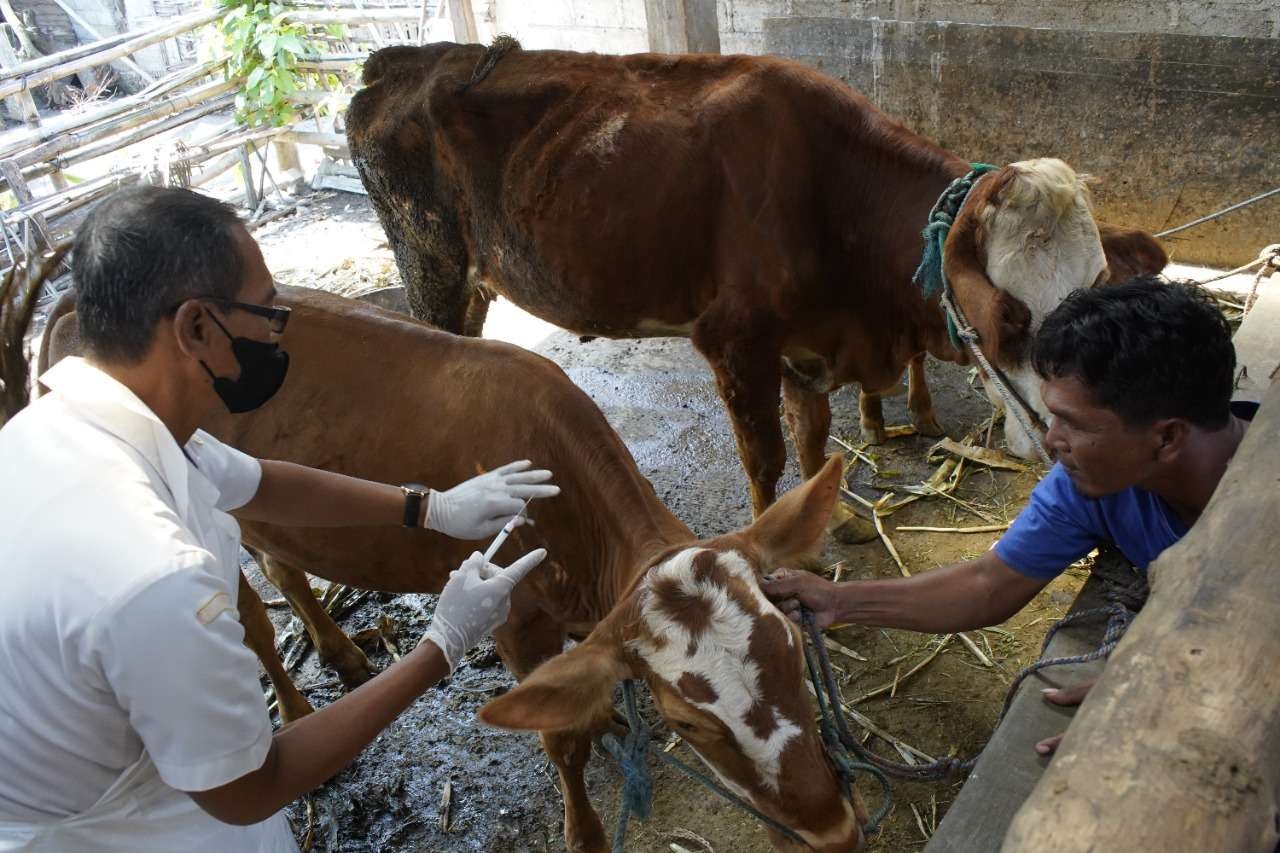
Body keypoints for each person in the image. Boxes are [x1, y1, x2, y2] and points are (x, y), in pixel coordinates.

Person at [0, 186, 560, 852]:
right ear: (197, 329)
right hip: (131, 827)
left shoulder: (68, 429)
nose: (278, 327)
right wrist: (441, 644)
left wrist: (430, 506)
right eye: (268, 310)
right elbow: (251, 787)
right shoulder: (155, 578)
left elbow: (262, 483)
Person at [764, 277, 1255, 755]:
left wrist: (1171, 686)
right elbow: (988, 584)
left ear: (1167, 438)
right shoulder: (1095, 484)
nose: (1049, 438)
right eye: (1053, 414)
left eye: (1075, 423)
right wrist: (838, 601)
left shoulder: (1260, 508)